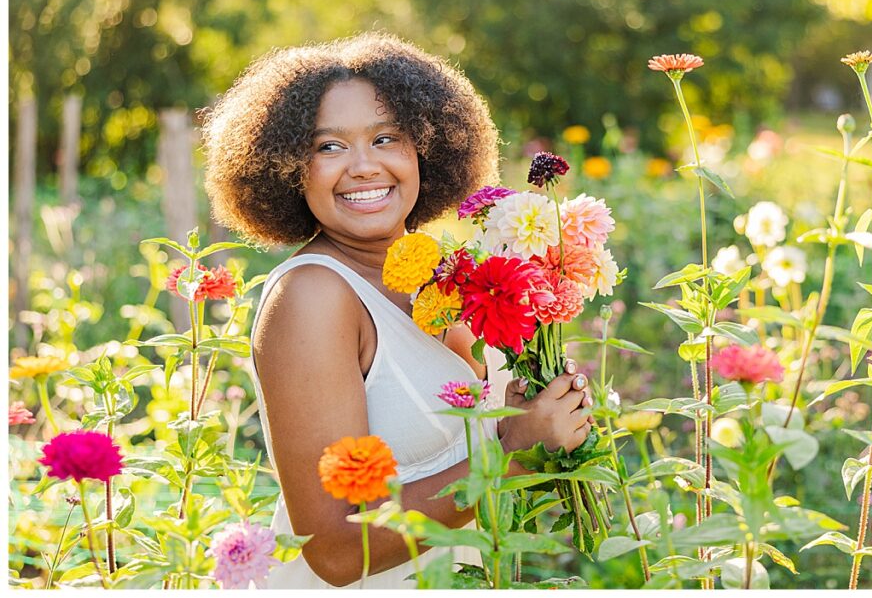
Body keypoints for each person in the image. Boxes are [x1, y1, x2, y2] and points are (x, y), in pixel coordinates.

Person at [202, 33, 593, 589]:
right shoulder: (313, 296)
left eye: (385, 138)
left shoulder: (441, 277)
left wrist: (553, 410)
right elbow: (335, 551)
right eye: (328, 146)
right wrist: (512, 453)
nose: (363, 166)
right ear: (289, 167)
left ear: (425, 149)